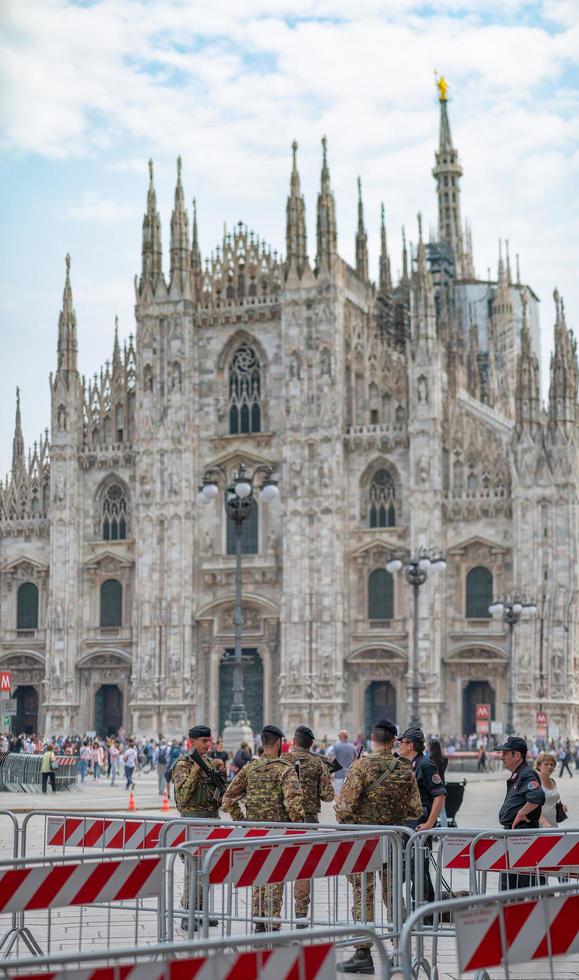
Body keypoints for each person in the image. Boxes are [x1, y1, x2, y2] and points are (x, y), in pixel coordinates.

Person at [335, 719, 422, 975]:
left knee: (364, 893)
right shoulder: (404, 769)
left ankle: (363, 953)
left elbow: (346, 807)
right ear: (394, 740)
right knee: (393, 894)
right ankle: (400, 948)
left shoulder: (361, 765)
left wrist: (338, 807)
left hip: (365, 843)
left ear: (372, 739)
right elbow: (415, 809)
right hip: (393, 841)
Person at [222, 724, 304, 932]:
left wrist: (243, 821)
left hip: (254, 833)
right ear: (278, 743)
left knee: (258, 877)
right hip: (278, 833)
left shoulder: (250, 768)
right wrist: (299, 828)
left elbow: (228, 798)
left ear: (262, 743)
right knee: (275, 879)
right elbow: (294, 806)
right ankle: (273, 924)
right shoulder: (286, 770)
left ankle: (258, 922)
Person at [172, 725, 226, 930]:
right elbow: (183, 795)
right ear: (192, 741)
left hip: (212, 821)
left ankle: (200, 911)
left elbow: (223, 798)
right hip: (192, 823)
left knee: (207, 871)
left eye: (209, 741)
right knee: (192, 872)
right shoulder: (182, 765)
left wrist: (222, 775)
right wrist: (196, 769)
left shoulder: (212, 764)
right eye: (204, 741)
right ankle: (187, 913)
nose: (208, 745)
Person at [283, 725, 335, 925]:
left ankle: (270, 915)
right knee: (303, 868)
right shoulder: (317, 764)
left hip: (284, 820)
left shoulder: (282, 761)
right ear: (312, 743)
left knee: (273, 864)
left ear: (293, 741)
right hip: (308, 821)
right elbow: (328, 796)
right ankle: (300, 914)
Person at [398, 727, 447, 905]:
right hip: (409, 824)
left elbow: (439, 794)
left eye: (401, 742)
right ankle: (428, 907)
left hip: (420, 824)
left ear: (410, 745)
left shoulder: (426, 764)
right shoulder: (410, 764)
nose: (399, 745)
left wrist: (429, 823)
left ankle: (422, 905)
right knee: (414, 868)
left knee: (419, 869)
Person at [496, 735, 545, 889]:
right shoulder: (518, 775)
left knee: (523, 887)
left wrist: (521, 813)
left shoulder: (527, 774)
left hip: (523, 837)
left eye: (505, 753)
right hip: (514, 836)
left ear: (517, 755)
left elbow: (537, 796)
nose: (501, 756)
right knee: (510, 886)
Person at [536, 752, 567, 827]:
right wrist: (543, 822)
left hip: (553, 823)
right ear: (539, 766)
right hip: (540, 825)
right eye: (546, 764)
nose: (549, 767)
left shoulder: (553, 781)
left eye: (552, 764)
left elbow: (552, 801)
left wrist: (561, 807)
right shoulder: (536, 781)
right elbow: (532, 806)